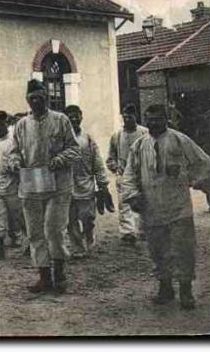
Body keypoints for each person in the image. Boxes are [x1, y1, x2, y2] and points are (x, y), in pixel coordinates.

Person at [121, 104, 210, 310]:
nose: (153, 123)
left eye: (158, 119)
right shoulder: (139, 145)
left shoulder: (179, 140)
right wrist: (133, 196)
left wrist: (188, 178)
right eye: (150, 119)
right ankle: (165, 287)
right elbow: (129, 175)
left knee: (183, 249)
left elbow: (203, 161)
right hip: (152, 207)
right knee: (158, 250)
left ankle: (186, 290)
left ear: (166, 119)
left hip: (179, 206)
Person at [8, 79, 80, 294]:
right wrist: (15, 162)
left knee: (53, 229)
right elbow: (14, 152)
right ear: (27, 100)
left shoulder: (61, 120)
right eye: (32, 99)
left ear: (46, 98)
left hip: (58, 185)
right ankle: (44, 276)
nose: (36, 102)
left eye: (40, 98)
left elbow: (74, 149)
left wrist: (59, 159)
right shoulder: (21, 125)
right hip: (31, 185)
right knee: (35, 232)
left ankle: (59, 273)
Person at [64, 105, 111, 259]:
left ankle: (89, 235)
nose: (73, 119)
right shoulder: (61, 140)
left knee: (87, 217)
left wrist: (102, 184)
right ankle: (78, 247)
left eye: (76, 116)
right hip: (66, 186)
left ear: (81, 117)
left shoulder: (88, 139)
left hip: (86, 186)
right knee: (70, 221)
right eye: (70, 117)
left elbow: (97, 163)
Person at [106, 104, 148, 245]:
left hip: (142, 175)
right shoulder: (117, 135)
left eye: (130, 117)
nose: (127, 120)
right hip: (124, 175)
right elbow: (111, 156)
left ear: (135, 116)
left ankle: (143, 230)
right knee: (124, 205)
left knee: (143, 202)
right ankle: (127, 232)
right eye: (124, 117)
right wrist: (115, 167)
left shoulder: (145, 133)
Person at [0, 111, 25, 260]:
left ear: (7, 125)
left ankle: (32, 243)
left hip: (12, 184)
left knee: (20, 216)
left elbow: (17, 160)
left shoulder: (12, 142)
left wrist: (14, 167)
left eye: (2, 124)